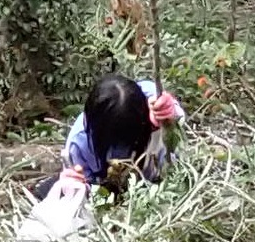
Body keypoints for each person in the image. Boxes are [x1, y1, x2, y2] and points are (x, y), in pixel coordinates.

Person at [48, 74, 185, 198]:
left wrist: (168, 115)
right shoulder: (79, 145)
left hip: (157, 182)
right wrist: (75, 186)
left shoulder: (152, 98)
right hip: (109, 194)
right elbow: (86, 194)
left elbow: (177, 118)